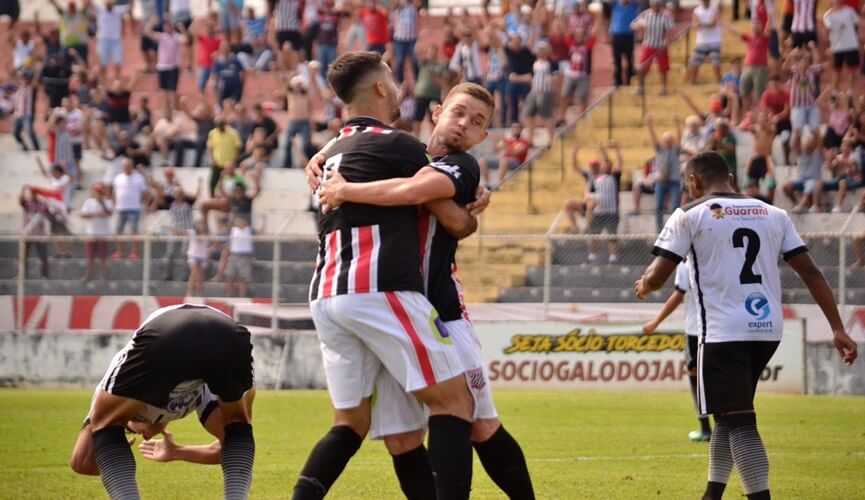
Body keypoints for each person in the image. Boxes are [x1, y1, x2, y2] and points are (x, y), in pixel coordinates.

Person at [314, 81, 534, 500]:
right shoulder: (401, 153)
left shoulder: (462, 165)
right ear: (437, 112)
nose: (464, 124)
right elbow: (448, 212)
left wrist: (347, 188)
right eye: (458, 112)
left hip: (443, 311)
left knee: (481, 423)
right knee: (402, 436)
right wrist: (322, 155)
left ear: (482, 137)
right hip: (394, 309)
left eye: (477, 122)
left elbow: (430, 200)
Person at [292, 51, 477, 500]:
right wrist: (474, 205)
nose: (397, 91)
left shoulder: (329, 153)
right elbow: (454, 220)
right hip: (377, 286)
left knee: (354, 423)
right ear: (378, 89)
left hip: (326, 294)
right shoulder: (400, 147)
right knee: (455, 402)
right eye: (392, 82)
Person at [636, 151, 858, 500]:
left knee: (740, 421)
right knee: (729, 414)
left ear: (694, 182)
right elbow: (812, 272)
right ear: (730, 178)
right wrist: (838, 327)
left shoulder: (689, 215)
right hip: (766, 331)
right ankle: (712, 494)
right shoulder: (774, 213)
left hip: (723, 333)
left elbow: (660, 275)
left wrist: (645, 284)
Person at [69, 303, 256, 500]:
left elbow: (82, 460)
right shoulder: (200, 386)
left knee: (106, 424)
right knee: (238, 425)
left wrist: (110, 438)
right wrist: (177, 452)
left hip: (166, 333)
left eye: (128, 429)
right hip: (230, 335)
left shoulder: (120, 380)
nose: (144, 436)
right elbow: (232, 448)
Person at [643, 260, 713, 442]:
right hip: (721, 328)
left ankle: (706, 428)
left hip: (696, 329)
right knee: (720, 377)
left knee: (696, 377)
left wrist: (656, 321)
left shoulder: (686, 264)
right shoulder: (717, 257)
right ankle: (728, 429)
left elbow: (678, 295)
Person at [645, 114, 681, 232]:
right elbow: (653, 137)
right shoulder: (659, 150)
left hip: (674, 181)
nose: (667, 141)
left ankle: (675, 228)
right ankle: (659, 230)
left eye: (669, 139)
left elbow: (679, 137)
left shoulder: (675, 150)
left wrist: (677, 124)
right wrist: (649, 125)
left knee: (675, 205)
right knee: (658, 206)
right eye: (665, 139)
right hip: (661, 181)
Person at [631, 0, 675, 96]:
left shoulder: (666, 15)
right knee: (642, 67)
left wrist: (667, 41)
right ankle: (640, 88)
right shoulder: (645, 14)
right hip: (648, 44)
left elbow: (670, 29)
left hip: (661, 45)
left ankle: (664, 88)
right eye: (654, 5)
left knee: (663, 68)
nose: (656, 7)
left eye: (657, 5)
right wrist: (640, 28)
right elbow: (633, 25)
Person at [111, 159, 148, 261]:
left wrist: (144, 204)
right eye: (125, 166)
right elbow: (114, 193)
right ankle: (119, 251)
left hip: (134, 208)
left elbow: (144, 192)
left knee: (134, 231)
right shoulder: (118, 178)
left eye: (129, 166)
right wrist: (113, 205)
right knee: (118, 231)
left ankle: (134, 252)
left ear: (132, 166)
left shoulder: (139, 178)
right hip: (120, 208)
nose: (127, 168)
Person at [478, 122, 532, 187]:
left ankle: (498, 184)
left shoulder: (524, 141)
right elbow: (495, 151)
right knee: (482, 161)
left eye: (517, 128)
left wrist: (506, 146)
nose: (515, 129)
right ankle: (488, 184)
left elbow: (516, 152)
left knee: (504, 161)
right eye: (513, 127)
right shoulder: (507, 140)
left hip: (517, 163)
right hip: (504, 160)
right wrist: (496, 140)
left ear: (521, 129)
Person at [80, 183, 114, 283]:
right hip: (91, 233)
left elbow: (109, 213)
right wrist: (96, 214)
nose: (98, 193)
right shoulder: (88, 202)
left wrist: (102, 203)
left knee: (103, 257)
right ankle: (88, 275)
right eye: (97, 191)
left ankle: (103, 276)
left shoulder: (108, 202)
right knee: (90, 257)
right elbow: (83, 215)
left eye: (100, 191)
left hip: (103, 233)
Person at [604, 0, 640, 87]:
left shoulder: (633, 4)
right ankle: (618, 81)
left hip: (629, 35)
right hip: (617, 36)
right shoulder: (615, 4)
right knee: (617, 60)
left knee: (629, 59)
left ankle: (629, 80)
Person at [687, 0, 722, 84]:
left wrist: (700, 23)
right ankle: (693, 79)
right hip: (704, 40)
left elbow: (713, 23)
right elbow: (695, 25)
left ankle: (718, 80)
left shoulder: (714, 9)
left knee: (715, 62)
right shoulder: (698, 10)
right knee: (696, 61)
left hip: (713, 40)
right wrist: (704, 24)